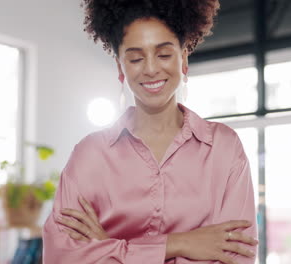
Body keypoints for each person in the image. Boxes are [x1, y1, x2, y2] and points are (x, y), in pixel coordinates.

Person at [42, 0, 258, 263]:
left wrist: (110, 248)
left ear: (184, 59)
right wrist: (178, 244)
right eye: (135, 58)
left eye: (164, 54)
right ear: (121, 68)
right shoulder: (89, 155)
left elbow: (238, 257)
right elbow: (61, 257)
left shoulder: (224, 148)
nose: (151, 68)